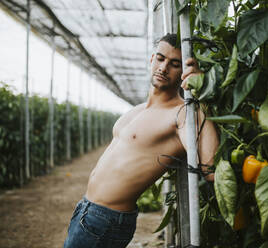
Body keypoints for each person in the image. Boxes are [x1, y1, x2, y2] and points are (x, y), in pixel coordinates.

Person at [63, 33, 219, 248]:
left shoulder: (182, 114)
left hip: (106, 218)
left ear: (184, 72)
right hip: (86, 209)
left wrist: (200, 94)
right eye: (161, 59)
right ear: (151, 59)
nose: (164, 68)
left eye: (175, 64)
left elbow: (210, 169)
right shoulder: (137, 110)